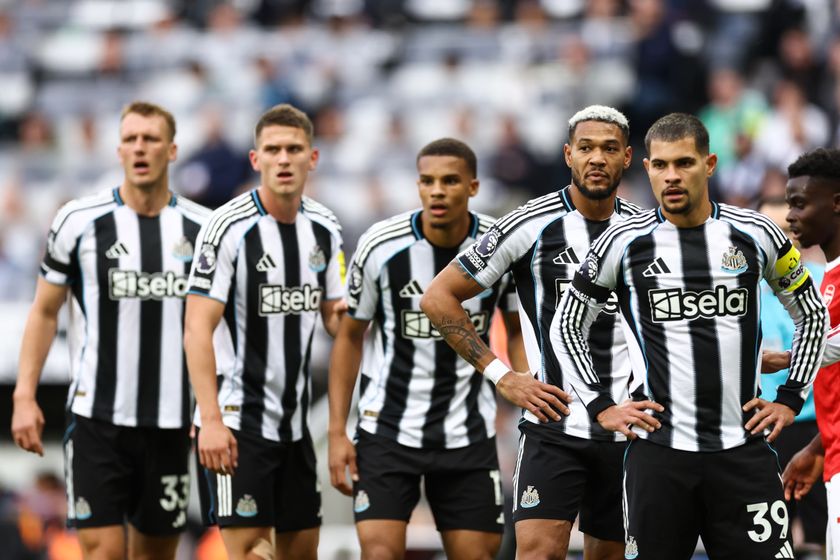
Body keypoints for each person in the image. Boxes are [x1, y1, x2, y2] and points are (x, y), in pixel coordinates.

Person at [553, 113, 827, 559]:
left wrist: (791, 397)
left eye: (684, 163)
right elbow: (567, 325)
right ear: (646, 169)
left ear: (710, 163)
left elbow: (811, 314)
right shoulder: (620, 243)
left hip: (742, 452)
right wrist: (601, 406)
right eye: (660, 165)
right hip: (660, 456)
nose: (672, 176)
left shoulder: (756, 234)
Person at [421, 105, 660, 560]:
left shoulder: (647, 229)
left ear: (627, 158)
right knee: (535, 554)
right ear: (568, 154)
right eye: (586, 148)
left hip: (629, 426)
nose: (596, 159)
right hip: (554, 423)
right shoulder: (530, 222)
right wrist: (502, 376)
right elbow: (438, 297)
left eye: (609, 149)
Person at [11, 101, 210, 559]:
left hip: (171, 422)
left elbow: (221, 326)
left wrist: (213, 410)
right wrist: (24, 395)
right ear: (118, 148)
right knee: (102, 552)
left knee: (155, 553)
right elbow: (44, 311)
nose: (140, 148)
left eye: (151, 139)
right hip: (97, 419)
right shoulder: (78, 222)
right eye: (131, 138)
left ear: (173, 150)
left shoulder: (203, 230)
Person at [328, 138, 523, 559]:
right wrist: (337, 431)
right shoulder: (381, 244)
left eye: (450, 180)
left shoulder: (498, 243)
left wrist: (527, 399)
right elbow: (348, 337)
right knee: (379, 554)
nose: (437, 190)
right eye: (428, 181)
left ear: (472, 186)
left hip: (468, 430)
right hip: (387, 430)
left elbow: (516, 330)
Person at [184, 103, 345, 560]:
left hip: (294, 425)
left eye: (294, 149)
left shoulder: (325, 228)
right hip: (237, 423)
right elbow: (197, 327)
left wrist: (360, 311)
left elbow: (336, 317)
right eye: (272, 149)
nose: (283, 159)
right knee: (252, 552)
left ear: (312, 158)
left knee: (301, 553)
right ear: (256, 160)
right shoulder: (226, 227)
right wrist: (210, 420)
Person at [757, 197, 827, 559]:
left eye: (784, 230)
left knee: (818, 540)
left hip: (814, 427)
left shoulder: (823, 284)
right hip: (761, 428)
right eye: (769, 230)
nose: (778, 239)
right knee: (768, 540)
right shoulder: (742, 292)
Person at [780, 148, 840, 559]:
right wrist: (817, 448)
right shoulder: (828, 278)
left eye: (800, 203)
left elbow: (824, 349)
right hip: (833, 457)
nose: (790, 216)